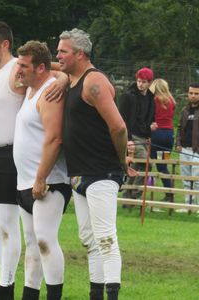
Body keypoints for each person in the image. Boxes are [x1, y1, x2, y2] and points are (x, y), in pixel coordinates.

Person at [0, 21, 66, 300]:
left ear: (5, 44)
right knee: (12, 232)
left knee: (32, 235)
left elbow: (59, 72)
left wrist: (63, 78)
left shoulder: (25, 76)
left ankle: (8, 288)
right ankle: (23, 293)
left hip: (20, 166)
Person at [57, 28, 137, 300]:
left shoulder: (95, 82)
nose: (58, 56)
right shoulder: (72, 77)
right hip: (79, 173)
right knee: (89, 240)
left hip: (102, 171)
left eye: (63, 51)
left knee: (105, 238)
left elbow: (118, 127)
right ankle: (95, 294)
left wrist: (121, 162)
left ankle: (112, 295)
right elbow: (50, 64)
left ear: (80, 54)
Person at [13, 41, 72, 300]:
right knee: (32, 245)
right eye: (18, 64)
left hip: (49, 181)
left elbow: (54, 138)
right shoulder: (31, 89)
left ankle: (54, 296)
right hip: (25, 181)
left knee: (46, 240)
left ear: (40, 68)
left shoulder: (49, 92)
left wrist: (40, 178)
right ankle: (30, 295)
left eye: (24, 66)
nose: (18, 70)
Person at [118, 67, 155, 200]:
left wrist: (152, 126)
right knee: (147, 164)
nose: (140, 84)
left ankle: (128, 193)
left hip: (144, 137)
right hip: (132, 136)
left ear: (150, 83)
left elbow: (148, 118)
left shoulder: (151, 98)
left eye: (144, 82)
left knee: (136, 164)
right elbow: (121, 119)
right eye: (139, 81)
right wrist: (128, 139)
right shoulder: (128, 96)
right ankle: (135, 195)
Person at [149, 79, 176, 202]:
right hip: (168, 136)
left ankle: (135, 193)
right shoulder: (171, 101)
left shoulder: (153, 101)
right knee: (162, 165)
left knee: (147, 163)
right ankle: (169, 193)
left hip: (156, 134)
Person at [176, 82, 199, 207]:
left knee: (197, 181)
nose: (193, 96)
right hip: (184, 149)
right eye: (191, 93)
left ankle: (197, 207)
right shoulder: (185, 110)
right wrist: (178, 144)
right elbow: (179, 128)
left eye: (196, 93)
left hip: (197, 151)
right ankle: (187, 206)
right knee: (186, 179)